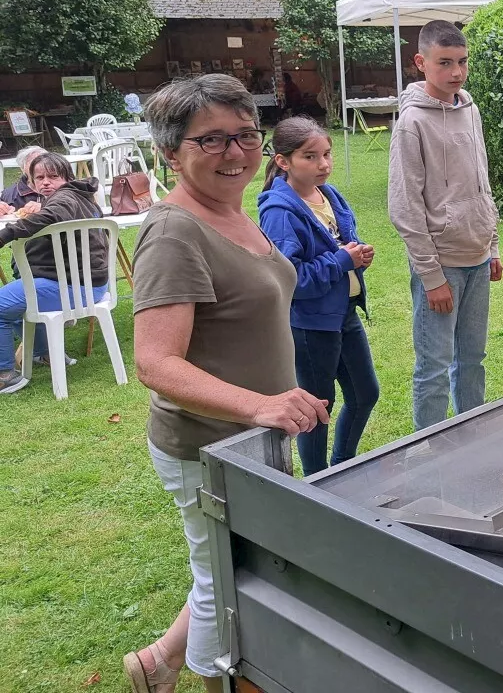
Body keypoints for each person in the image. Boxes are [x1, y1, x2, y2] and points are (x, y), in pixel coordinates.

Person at [125, 75, 329, 693]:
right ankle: (214, 679)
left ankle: (155, 661)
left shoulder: (233, 212)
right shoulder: (174, 233)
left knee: (225, 562)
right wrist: (261, 403)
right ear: (170, 153)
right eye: (211, 141)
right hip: (208, 445)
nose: (236, 153)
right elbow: (156, 363)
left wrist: (280, 397)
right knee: (227, 579)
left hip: (250, 438)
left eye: (245, 135)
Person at [388, 20, 501, 431]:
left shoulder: (470, 109)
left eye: (463, 62)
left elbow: (481, 182)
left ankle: (471, 437)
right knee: (433, 368)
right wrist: (431, 276)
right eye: (445, 62)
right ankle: (429, 451)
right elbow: (404, 206)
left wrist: (492, 245)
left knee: (473, 360)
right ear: (421, 62)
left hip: (476, 258)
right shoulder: (411, 123)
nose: (456, 72)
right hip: (441, 266)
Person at [258, 117, 380, 475]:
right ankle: (316, 481)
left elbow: (340, 244)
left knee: (364, 393)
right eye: (310, 157)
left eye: (326, 154)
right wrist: (343, 260)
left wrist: (357, 259)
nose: (323, 164)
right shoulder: (279, 212)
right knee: (316, 409)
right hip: (310, 325)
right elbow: (290, 281)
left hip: (343, 314)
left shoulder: (328, 193)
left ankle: (341, 466)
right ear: (284, 161)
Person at [0, 152, 106, 394]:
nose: (45, 182)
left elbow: (52, 214)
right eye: (39, 177)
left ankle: (4, 375)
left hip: (74, 288)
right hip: (89, 284)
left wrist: (5, 235)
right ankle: (45, 353)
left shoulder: (64, 198)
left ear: (66, 177)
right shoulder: (80, 196)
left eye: (53, 176)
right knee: (14, 304)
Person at [0, 145, 47, 213]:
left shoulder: (61, 185)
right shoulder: (12, 196)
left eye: (44, 163)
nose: (40, 167)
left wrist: (44, 207)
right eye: (33, 164)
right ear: (23, 168)